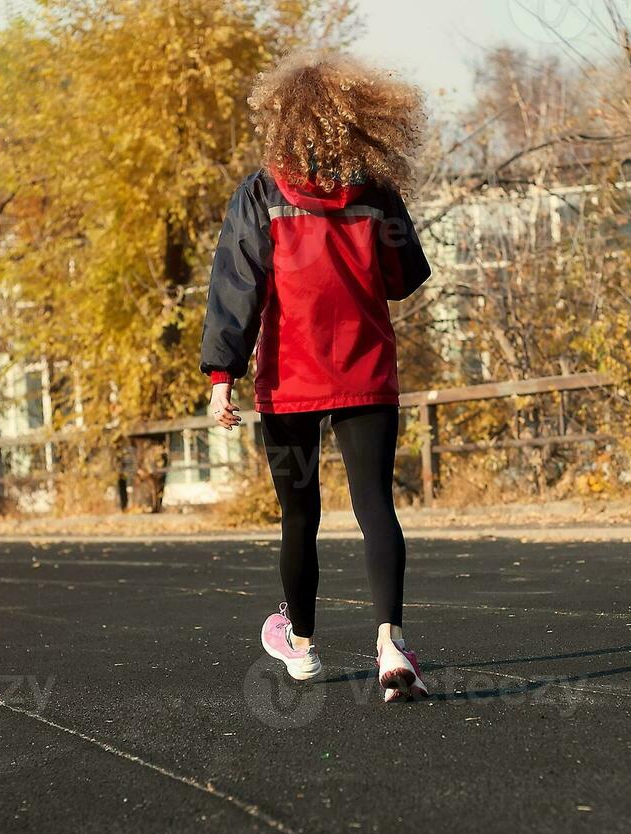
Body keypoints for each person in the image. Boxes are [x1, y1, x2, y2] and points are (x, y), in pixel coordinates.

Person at [199, 51, 432, 703]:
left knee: (299, 518)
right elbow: (404, 278)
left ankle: (301, 647)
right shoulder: (375, 191)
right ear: (354, 119)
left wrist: (222, 376)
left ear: (281, 121)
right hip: (366, 374)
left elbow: (236, 290)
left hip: (289, 385)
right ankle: (391, 642)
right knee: (375, 508)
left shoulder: (261, 193)